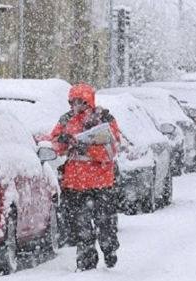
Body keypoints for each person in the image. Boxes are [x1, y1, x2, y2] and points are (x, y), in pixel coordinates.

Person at [51, 83, 121, 272]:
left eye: (80, 102)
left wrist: (88, 149)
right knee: (81, 226)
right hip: (75, 182)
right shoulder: (66, 120)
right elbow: (54, 145)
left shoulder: (104, 119)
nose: (76, 106)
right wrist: (62, 141)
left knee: (105, 222)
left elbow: (111, 150)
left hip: (101, 180)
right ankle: (86, 261)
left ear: (88, 101)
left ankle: (109, 249)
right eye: (72, 102)